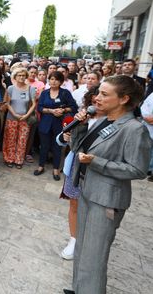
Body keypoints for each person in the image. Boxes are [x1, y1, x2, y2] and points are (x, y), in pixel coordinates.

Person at [63, 75, 151, 294]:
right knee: (83, 247)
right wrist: (80, 127)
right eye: (98, 93)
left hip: (106, 200)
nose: (97, 98)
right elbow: (78, 149)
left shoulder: (134, 129)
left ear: (123, 99)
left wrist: (97, 162)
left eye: (104, 94)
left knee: (94, 256)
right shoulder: (105, 120)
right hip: (87, 190)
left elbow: (138, 170)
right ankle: (79, 289)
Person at [57, 86, 103, 261]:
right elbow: (61, 139)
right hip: (76, 167)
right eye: (95, 98)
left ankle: (90, 241)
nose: (97, 101)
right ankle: (74, 240)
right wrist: (66, 135)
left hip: (97, 170)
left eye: (103, 97)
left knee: (94, 208)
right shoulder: (80, 118)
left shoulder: (114, 122)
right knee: (74, 205)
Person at [36, 71, 77, 180]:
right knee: (44, 146)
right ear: (49, 80)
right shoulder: (44, 93)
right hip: (45, 122)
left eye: (56, 79)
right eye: (52, 79)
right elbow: (39, 108)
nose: (53, 82)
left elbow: (74, 107)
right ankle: (41, 166)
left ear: (61, 82)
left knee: (57, 147)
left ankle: (56, 169)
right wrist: (50, 110)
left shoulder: (65, 93)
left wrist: (63, 110)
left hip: (59, 123)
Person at [3, 67, 36, 169]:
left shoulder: (30, 88)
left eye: (23, 75)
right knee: (10, 139)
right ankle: (9, 159)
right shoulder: (10, 88)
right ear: (15, 77)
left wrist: (26, 115)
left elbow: (34, 104)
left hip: (25, 118)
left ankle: (19, 160)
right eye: (19, 75)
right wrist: (14, 114)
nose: (21, 77)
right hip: (11, 118)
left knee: (22, 140)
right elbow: (7, 103)